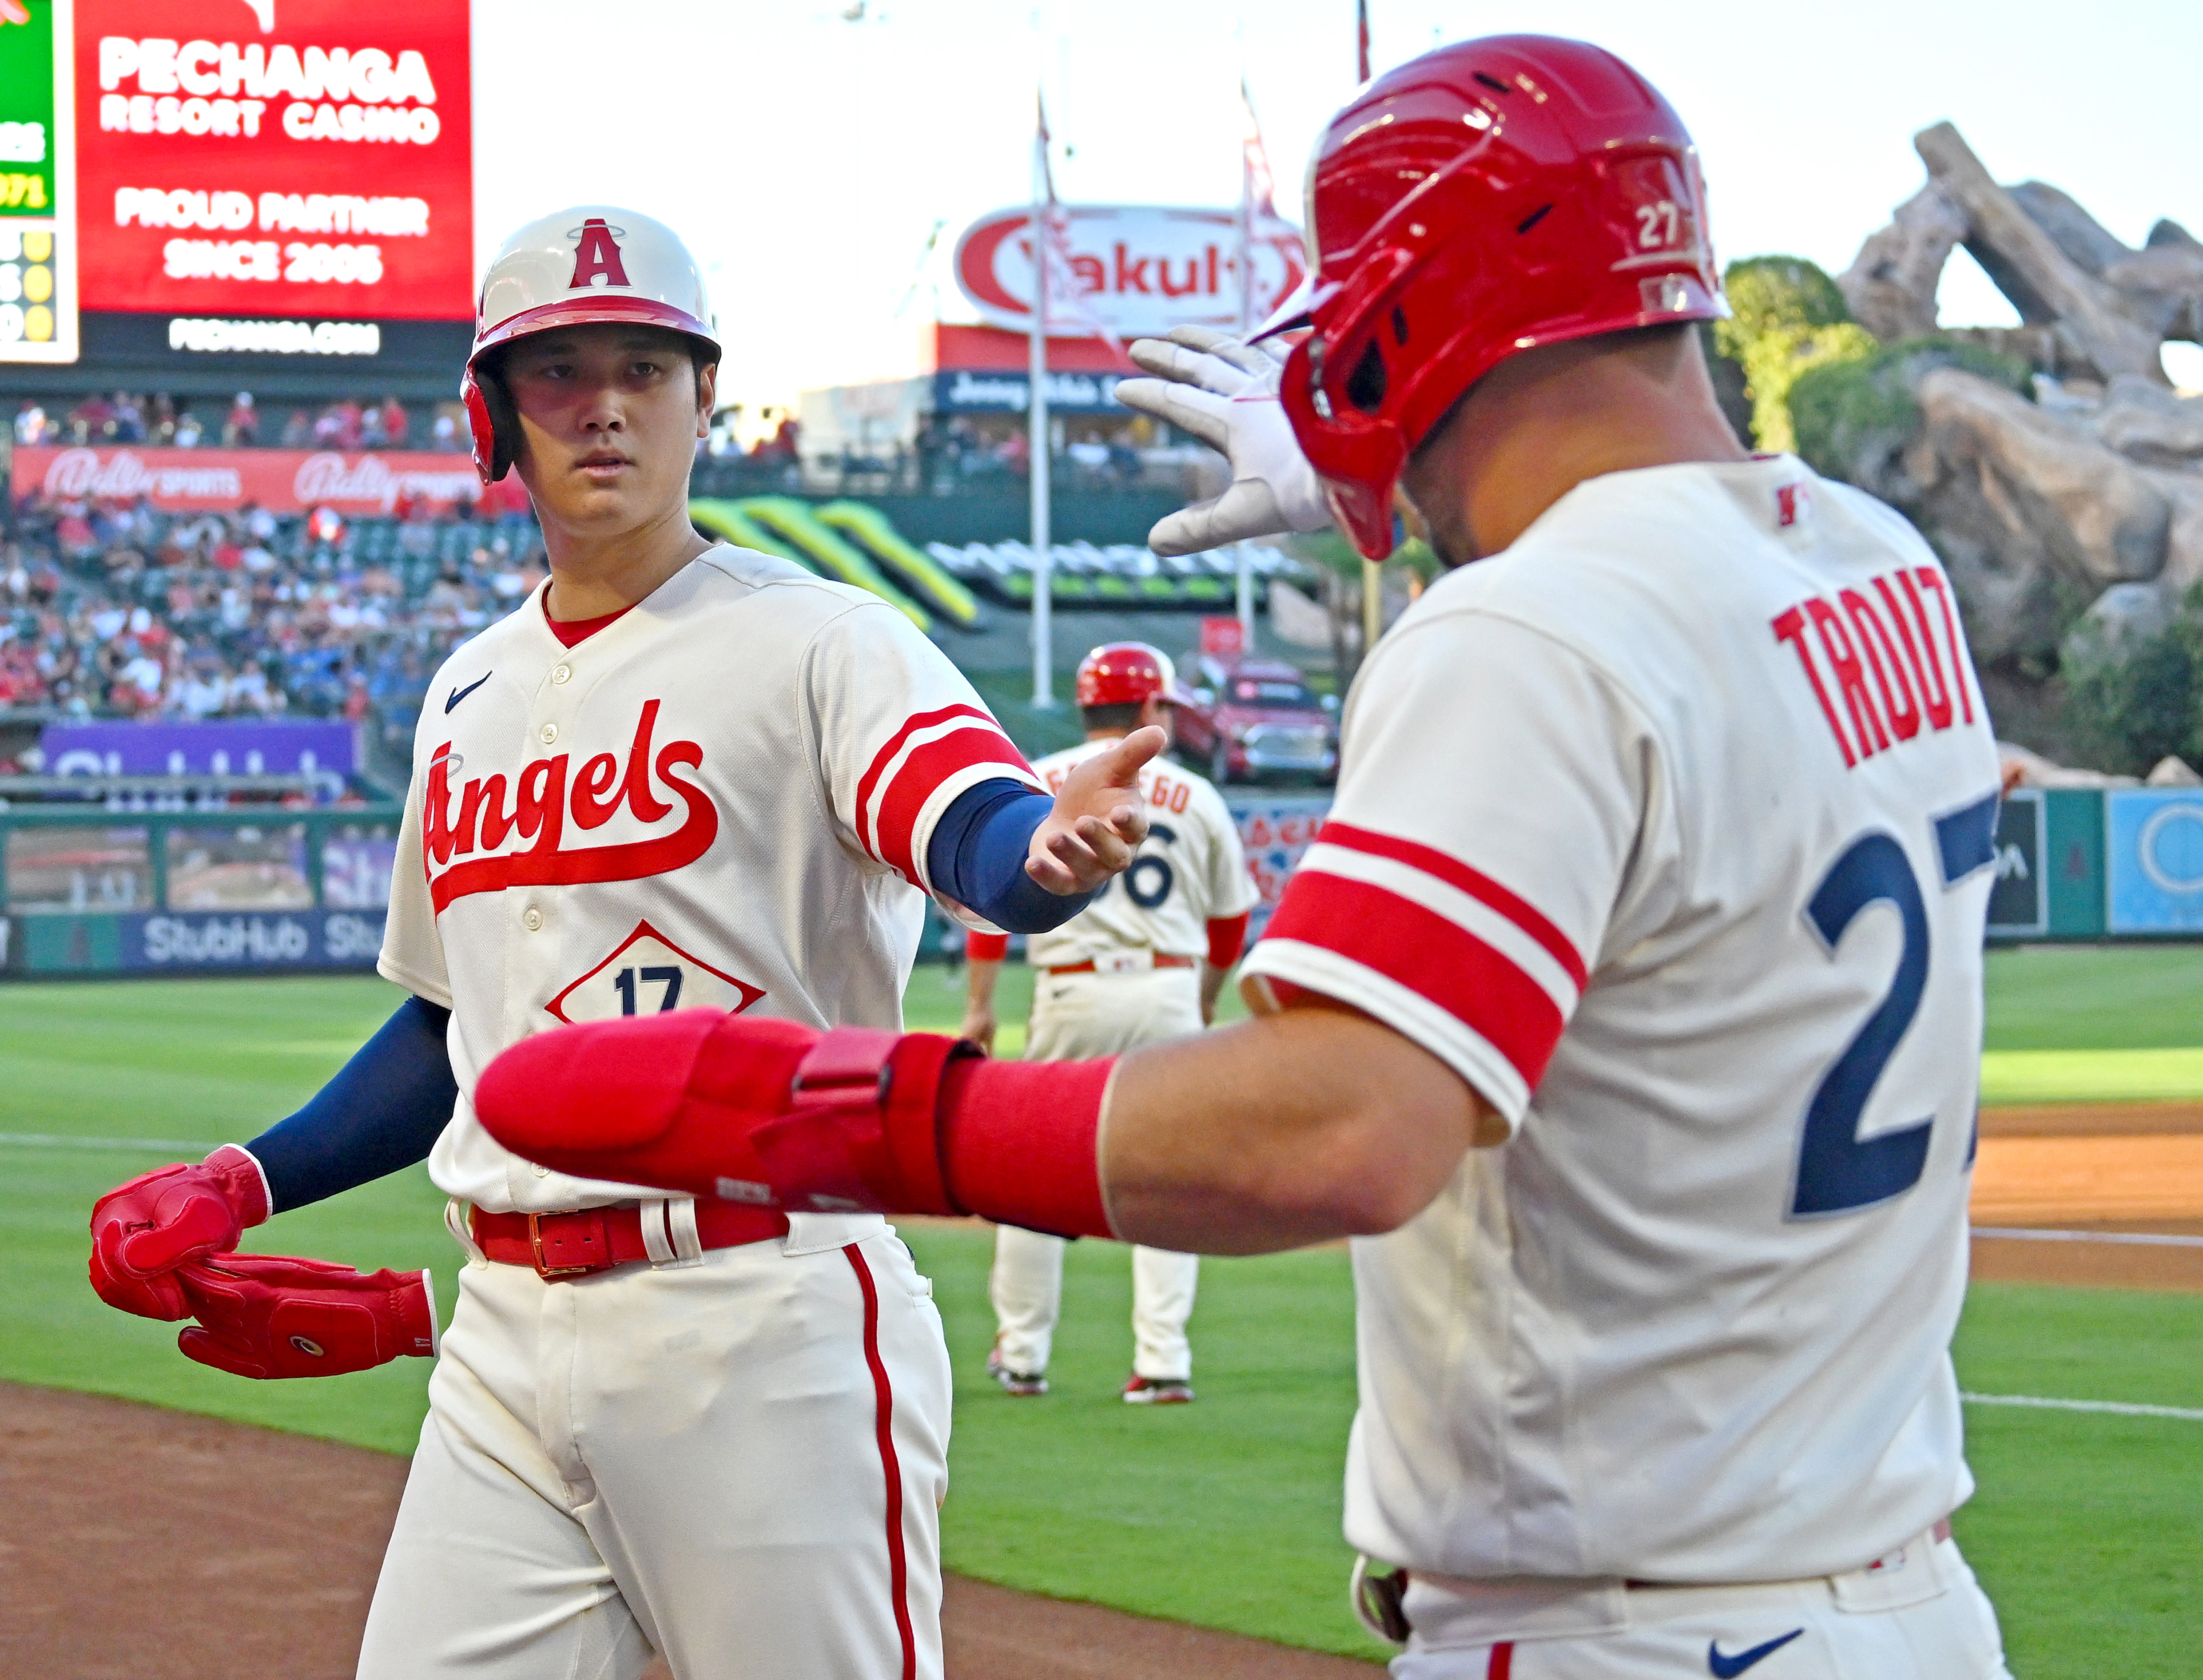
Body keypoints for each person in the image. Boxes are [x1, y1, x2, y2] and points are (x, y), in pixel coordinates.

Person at [472, 41, 2016, 1680]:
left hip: (1633, 1620)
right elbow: (1654, 595)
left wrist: (842, 1109)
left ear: (1420, 314)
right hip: (1903, 1590)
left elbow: (1341, 1129)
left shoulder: (1525, 635)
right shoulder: (1872, 558)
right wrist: (1434, 502)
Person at [85, 203, 1162, 1680]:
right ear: (493, 417)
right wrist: (248, 1176)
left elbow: (968, 819)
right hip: (501, 1331)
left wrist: (1038, 857)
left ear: (706, 400)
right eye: (558, 369)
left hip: (760, 1309)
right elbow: (454, 1030)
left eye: (647, 367)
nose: (605, 404)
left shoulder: (822, 637)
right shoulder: (466, 692)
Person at [962, 641, 1255, 1404]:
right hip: (1166, 988)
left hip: (1070, 991)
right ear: (1152, 709)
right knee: (1169, 1173)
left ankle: (1023, 1355)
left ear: (1087, 704)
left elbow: (993, 907)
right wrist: (1204, 998)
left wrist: (980, 1006)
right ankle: (1163, 1361)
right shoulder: (1198, 795)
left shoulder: (1039, 783)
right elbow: (1231, 921)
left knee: (1027, 1176)